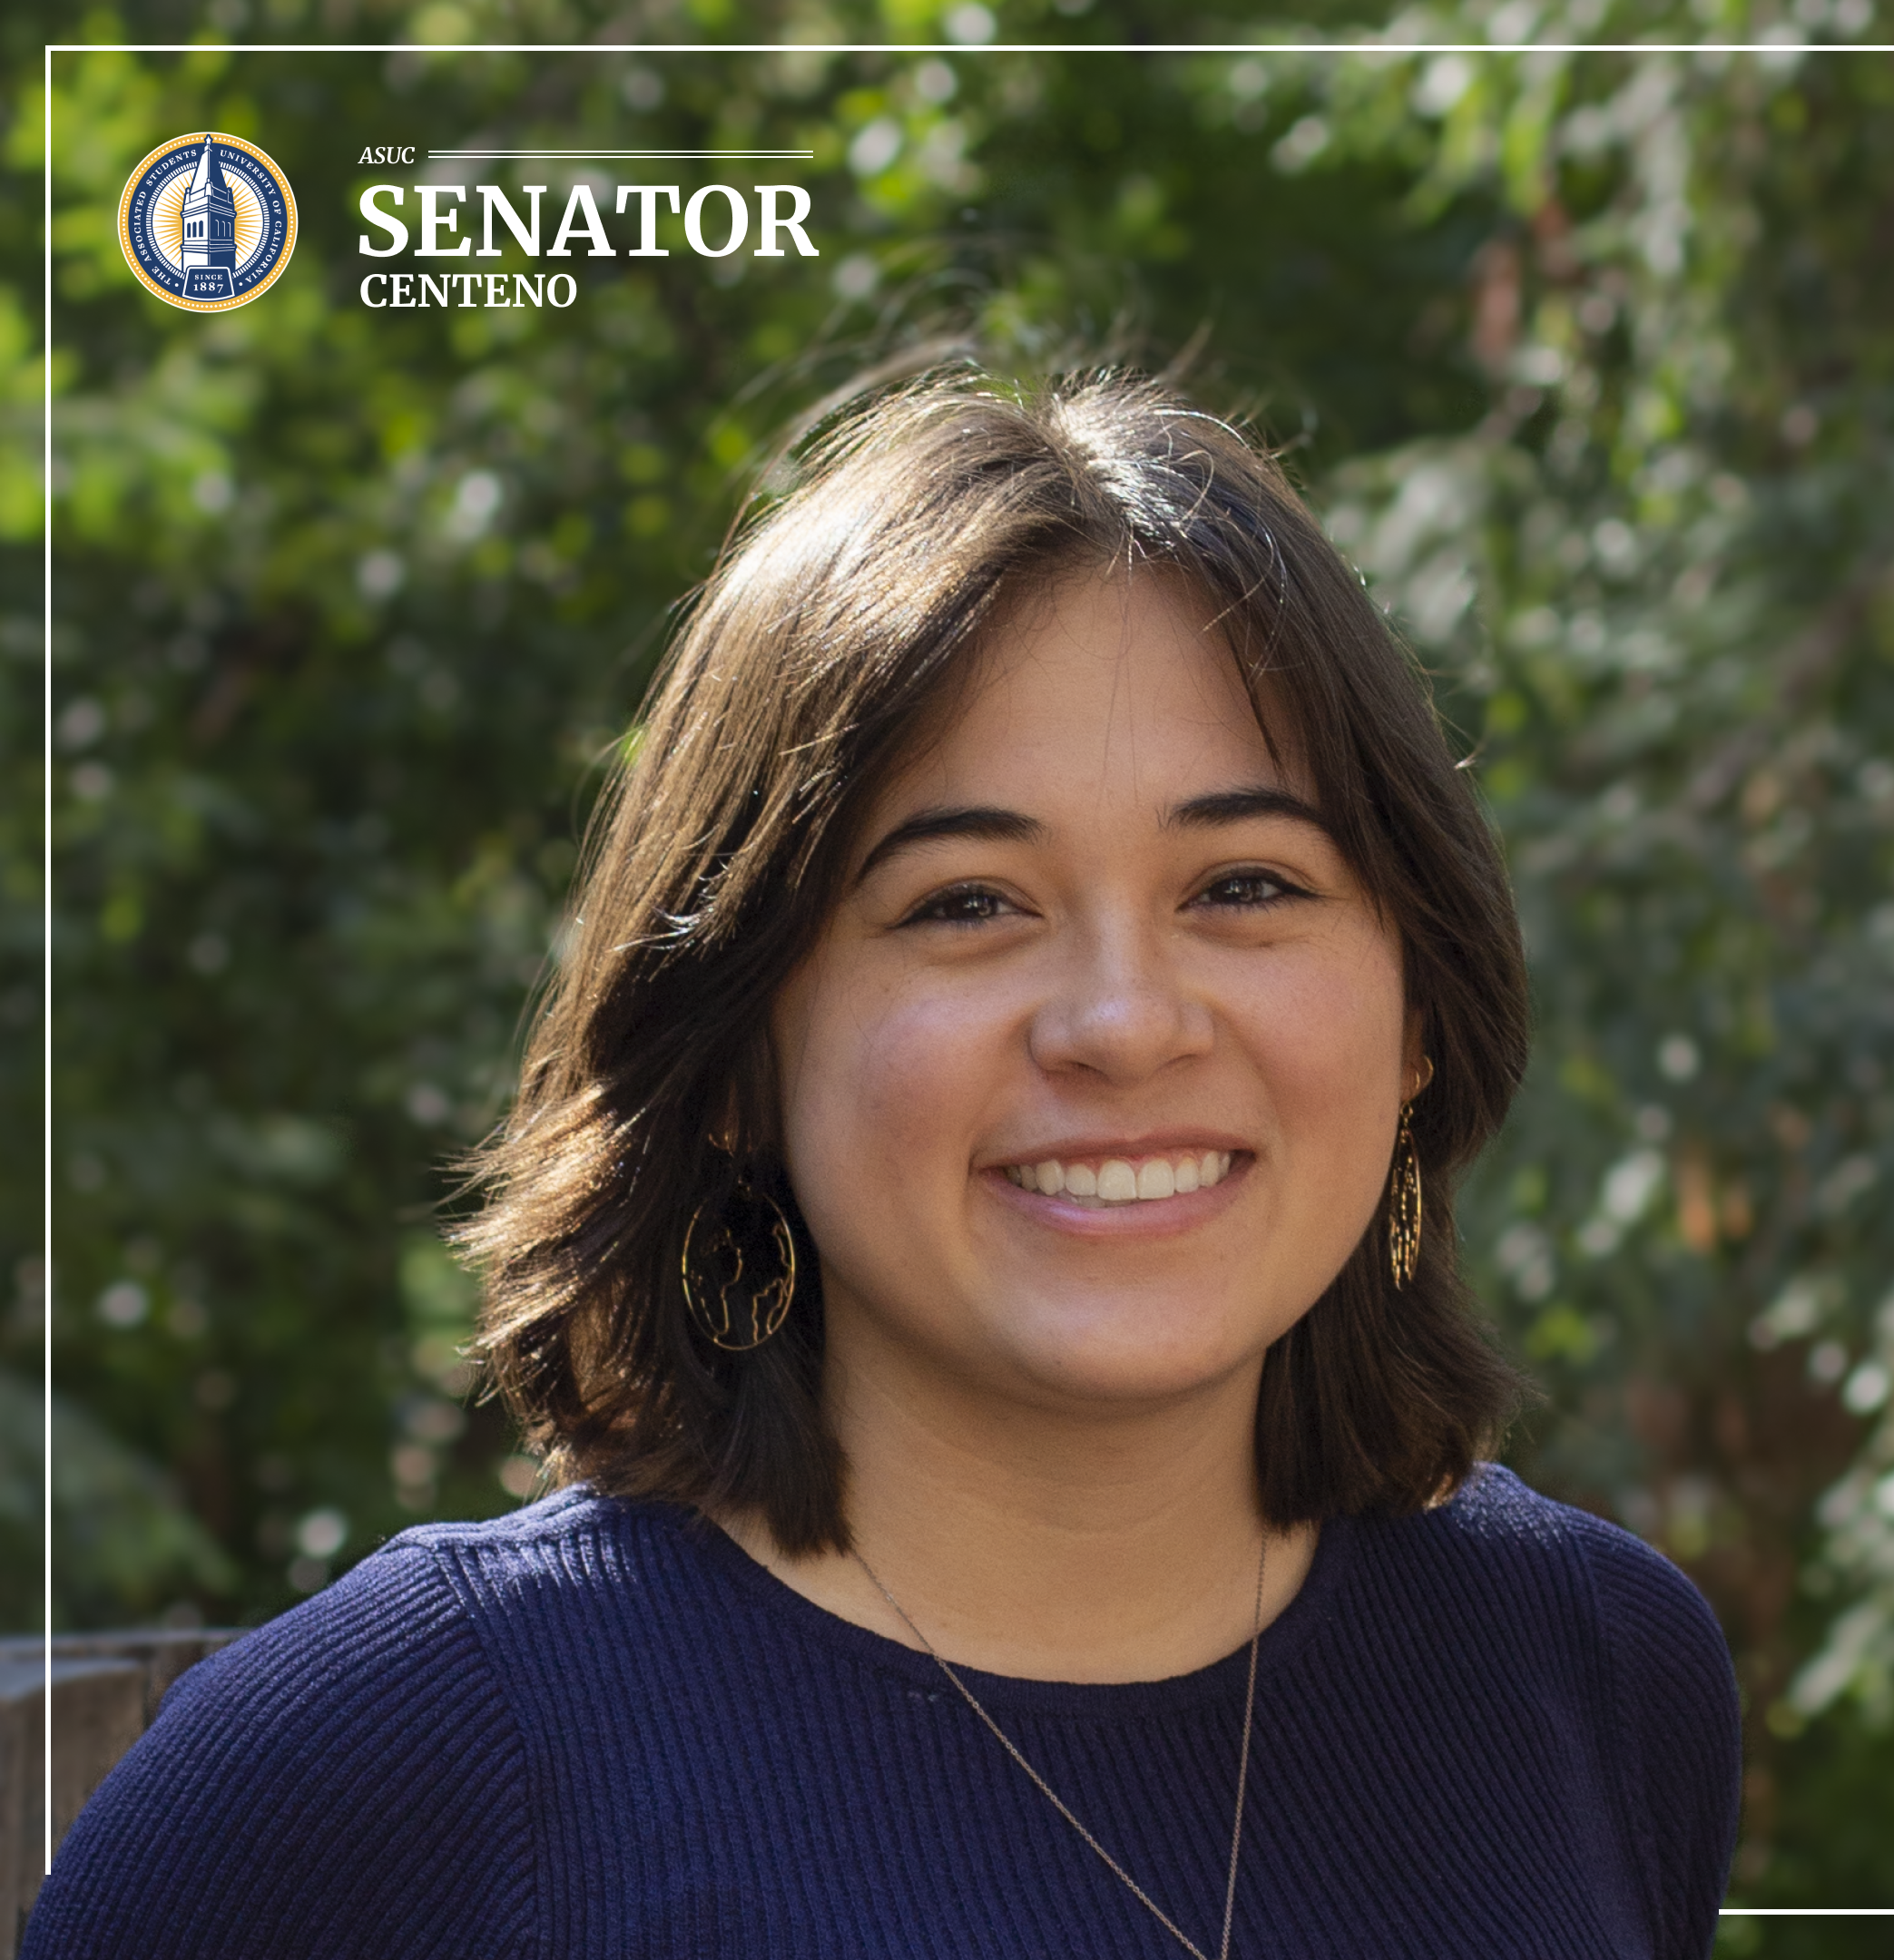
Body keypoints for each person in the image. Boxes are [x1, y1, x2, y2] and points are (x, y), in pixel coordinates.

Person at [25, 372, 1740, 1960]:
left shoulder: (1596, 1674)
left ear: (1420, 1010)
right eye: (966, 906)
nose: (1125, 1025)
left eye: (1246, 886)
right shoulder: (377, 1767)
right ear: (732, 1067)